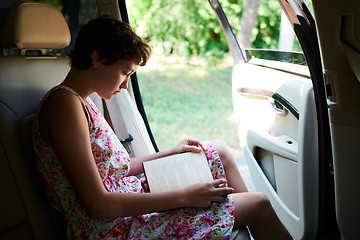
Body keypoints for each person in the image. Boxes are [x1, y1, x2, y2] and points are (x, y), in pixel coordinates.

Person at [32, 16, 292, 239]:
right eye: (125, 72)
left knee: (219, 151)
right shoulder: (64, 105)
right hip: (111, 228)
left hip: (123, 200)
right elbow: (98, 204)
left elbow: (116, 169)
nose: (124, 86)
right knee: (260, 204)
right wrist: (186, 197)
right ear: (97, 58)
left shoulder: (80, 102)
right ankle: (241, 217)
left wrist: (171, 151)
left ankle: (233, 219)